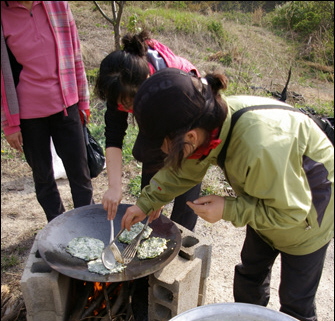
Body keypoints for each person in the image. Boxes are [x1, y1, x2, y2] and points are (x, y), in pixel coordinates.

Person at [121, 68, 334, 321]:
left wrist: (229, 208)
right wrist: (147, 202)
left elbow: (291, 213)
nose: (164, 154)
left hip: (308, 216)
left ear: (189, 137)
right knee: (250, 275)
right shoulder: (210, 125)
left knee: (295, 301)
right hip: (269, 197)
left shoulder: (258, 149)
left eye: (164, 146)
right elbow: (186, 169)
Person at [94, 30, 202, 231]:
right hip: (154, 109)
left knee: (186, 185)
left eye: (128, 105)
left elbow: (186, 152)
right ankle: (147, 231)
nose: (125, 110)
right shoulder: (120, 84)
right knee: (149, 185)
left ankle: (183, 237)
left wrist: (162, 194)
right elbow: (114, 137)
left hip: (187, 118)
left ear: (145, 84)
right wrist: (115, 186)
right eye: (121, 105)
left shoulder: (175, 90)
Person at [1, 0, 93, 222]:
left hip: (65, 103)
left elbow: (75, 54)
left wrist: (83, 101)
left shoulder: (57, 5)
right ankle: (57, 225)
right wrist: (9, 123)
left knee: (80, 173)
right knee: (43, 177)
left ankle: (86, 223)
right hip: (27, 113)